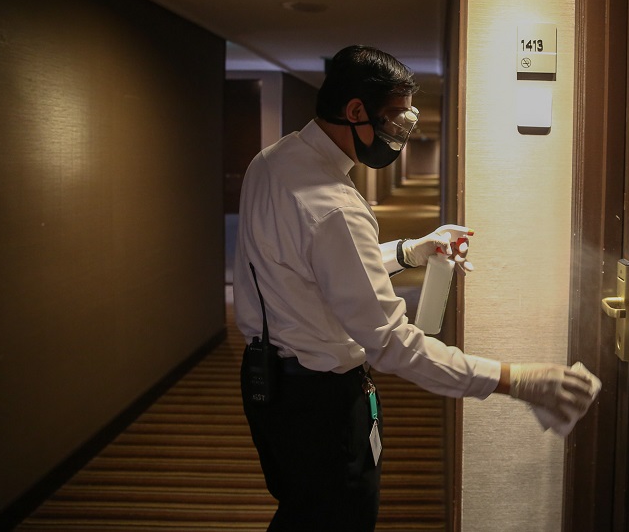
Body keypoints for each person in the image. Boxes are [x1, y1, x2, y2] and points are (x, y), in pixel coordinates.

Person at [234, 45, 596, 531]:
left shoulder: (271, 162)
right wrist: (518, 381)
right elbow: (391, 345)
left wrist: (410, 250)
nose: (397, 138)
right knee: (338, 516)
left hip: (266, 386)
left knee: (300, 510)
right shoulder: (335, 204)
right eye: (393, 122)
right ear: (355, 111)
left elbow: (309, 271)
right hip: (323, 406)